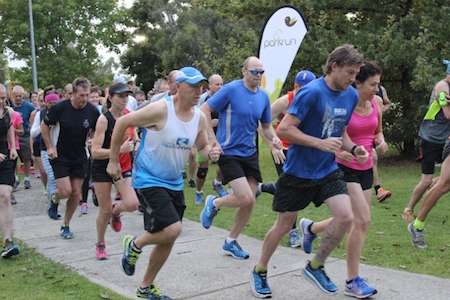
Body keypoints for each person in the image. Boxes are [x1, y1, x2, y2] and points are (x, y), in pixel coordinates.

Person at [250, 44, 365, 298]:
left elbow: (340, 130)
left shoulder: (350, 95)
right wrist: (320, 143)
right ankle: (260, 270)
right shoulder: (311, 93)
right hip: (298, 172)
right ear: (333, 66)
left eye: (356, 73)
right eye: (349, 72)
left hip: (327, 170)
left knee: (346, 217)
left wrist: (354, 148)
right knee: (283, 226)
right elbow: (284, 129)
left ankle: (315, 265)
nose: (352, 78)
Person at [107, 67, 220, 299]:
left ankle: (145, 287)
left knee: (168, 236)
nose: (199, 92)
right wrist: (113, 160)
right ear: (179, 88)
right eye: (194, 87)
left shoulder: (198, 116)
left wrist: (210, 152)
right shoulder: (160, 109)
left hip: (173, 181)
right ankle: (135, 244)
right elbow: (121, 124)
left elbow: (201, 145)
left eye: (202, 87)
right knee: (173, 229)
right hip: (148, 178)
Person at [296, 62, 385, 299]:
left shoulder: (375, 103)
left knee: (354, 218)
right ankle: (352, 280)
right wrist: (341, 151)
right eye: (372, 84)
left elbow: (377, 131)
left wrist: (380, 142)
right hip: (344, 167)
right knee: (362, 220)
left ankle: (311, 228)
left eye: (378, 84)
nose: (377, 89)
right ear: (358, 83)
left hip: (365, 167)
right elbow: (333, 130)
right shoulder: (347, 101)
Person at [200, 56, 282, 260]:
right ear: (244, 71)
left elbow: (265, 126)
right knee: (245, 196)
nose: (258, 76)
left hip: (249, 153)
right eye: (255, 71)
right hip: (228, 152)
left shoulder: (263, 97)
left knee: (249, 201)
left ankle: (231, 241)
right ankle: (215, 203)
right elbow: (204, 110)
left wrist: (274, 139)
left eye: (261, 72)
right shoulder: (230, 89)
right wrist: (212, 141)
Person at [257, 69, 316, 248]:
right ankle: (292, 232)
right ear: (295, 86)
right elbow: (262, 123)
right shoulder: (285, 101)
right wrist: (272, 145)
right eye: (301, 88)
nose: (305, 91)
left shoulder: (314, 100)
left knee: (300, 187)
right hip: (282, 150)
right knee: (293, 190)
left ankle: (262, 187)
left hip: (302, 151)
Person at [41, 77, 100, 239]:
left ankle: (65, 225)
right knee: (65, 191)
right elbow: (44, 126)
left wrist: (93, 139)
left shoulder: (92, 111)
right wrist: (50, 147)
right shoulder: (60, 108)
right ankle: (55, 198)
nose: (85, 99)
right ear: (72, 94)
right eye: (81, 95)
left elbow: (97, 130)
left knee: (76, 194)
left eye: (87, 95)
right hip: (60, 155)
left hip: (80, 156)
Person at [91, 82, 140, 260]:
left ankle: (116, 211)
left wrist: (136, 144)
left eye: (126, 96)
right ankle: (100, 243)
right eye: (120, 96)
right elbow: (95, 152)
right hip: (103, 167)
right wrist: (120, 150)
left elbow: (134, 139)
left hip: (123, 167)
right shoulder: (104, 119)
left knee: (133, 204)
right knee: (104, 210)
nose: (124, 99)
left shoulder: (129, 116)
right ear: (110, 98)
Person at [407, 60, 450, 249]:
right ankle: (414, 218)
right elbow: (447, 113)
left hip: (441, 138)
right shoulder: (442, 87)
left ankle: (416, 222)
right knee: (436, 182)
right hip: (431, 137)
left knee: (441, 183)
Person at [194, 74, 226, 205]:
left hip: (221, 136)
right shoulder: (203, 100)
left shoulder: (225, 99)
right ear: (210, 86)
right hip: (205, 137)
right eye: (217, 84)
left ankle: (217, 183)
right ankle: (199, 192)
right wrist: (209, 124)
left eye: (221, 84)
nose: (220, 87)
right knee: (203, 166)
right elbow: (195, 118)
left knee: (225, 164)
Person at [31, 92, 61, 220]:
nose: (53, 106)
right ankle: (52, 206)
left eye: (55, 103)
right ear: (46, 103)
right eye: (50, 103)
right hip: (45, 150)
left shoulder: (62, 112)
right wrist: (44, 124)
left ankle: (53, 204)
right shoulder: (41, 113)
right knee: (52, 177)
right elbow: (33, 132)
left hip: (61, 150)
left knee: (59, 179)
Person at [0, 83, 20, 258]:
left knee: (5, 195)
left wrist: (12, 147)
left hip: (5, 158)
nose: (2, 100)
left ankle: (8, 241)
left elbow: (9, 129)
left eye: (3, 97)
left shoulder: (7, 112)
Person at [11, 85, 35, 190]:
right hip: (12, 137)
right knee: (14, 159)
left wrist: (31, 126)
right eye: (16, 96)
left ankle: (27, 179)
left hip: (25, 136)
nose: (18, 98)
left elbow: (35, 115)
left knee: (26, 158)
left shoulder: (29, 106)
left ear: (23, 95)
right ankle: (15, 179)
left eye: (20, 96)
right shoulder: (10, 107)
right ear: (13, 96)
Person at [372, 84, 392, 202]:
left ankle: (378, 190)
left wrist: (379, 110)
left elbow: (388, 103)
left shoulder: (381, 90)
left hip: (373, 126)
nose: (374, 89)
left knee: (373, 158)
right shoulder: (353, 92)